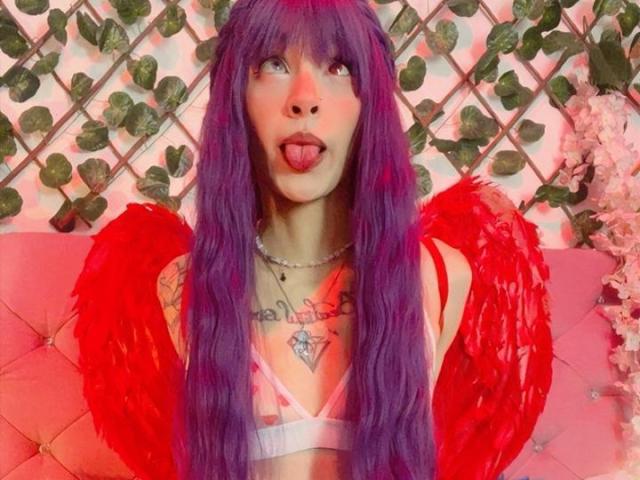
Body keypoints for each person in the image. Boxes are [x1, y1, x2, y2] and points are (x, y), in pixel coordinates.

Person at [71, 1, 552, 479]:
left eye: (338, 67)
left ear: (370, 103)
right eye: (274, 64)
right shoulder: (182, 287)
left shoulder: (439, 277)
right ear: (236, 95)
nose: (304, 99)